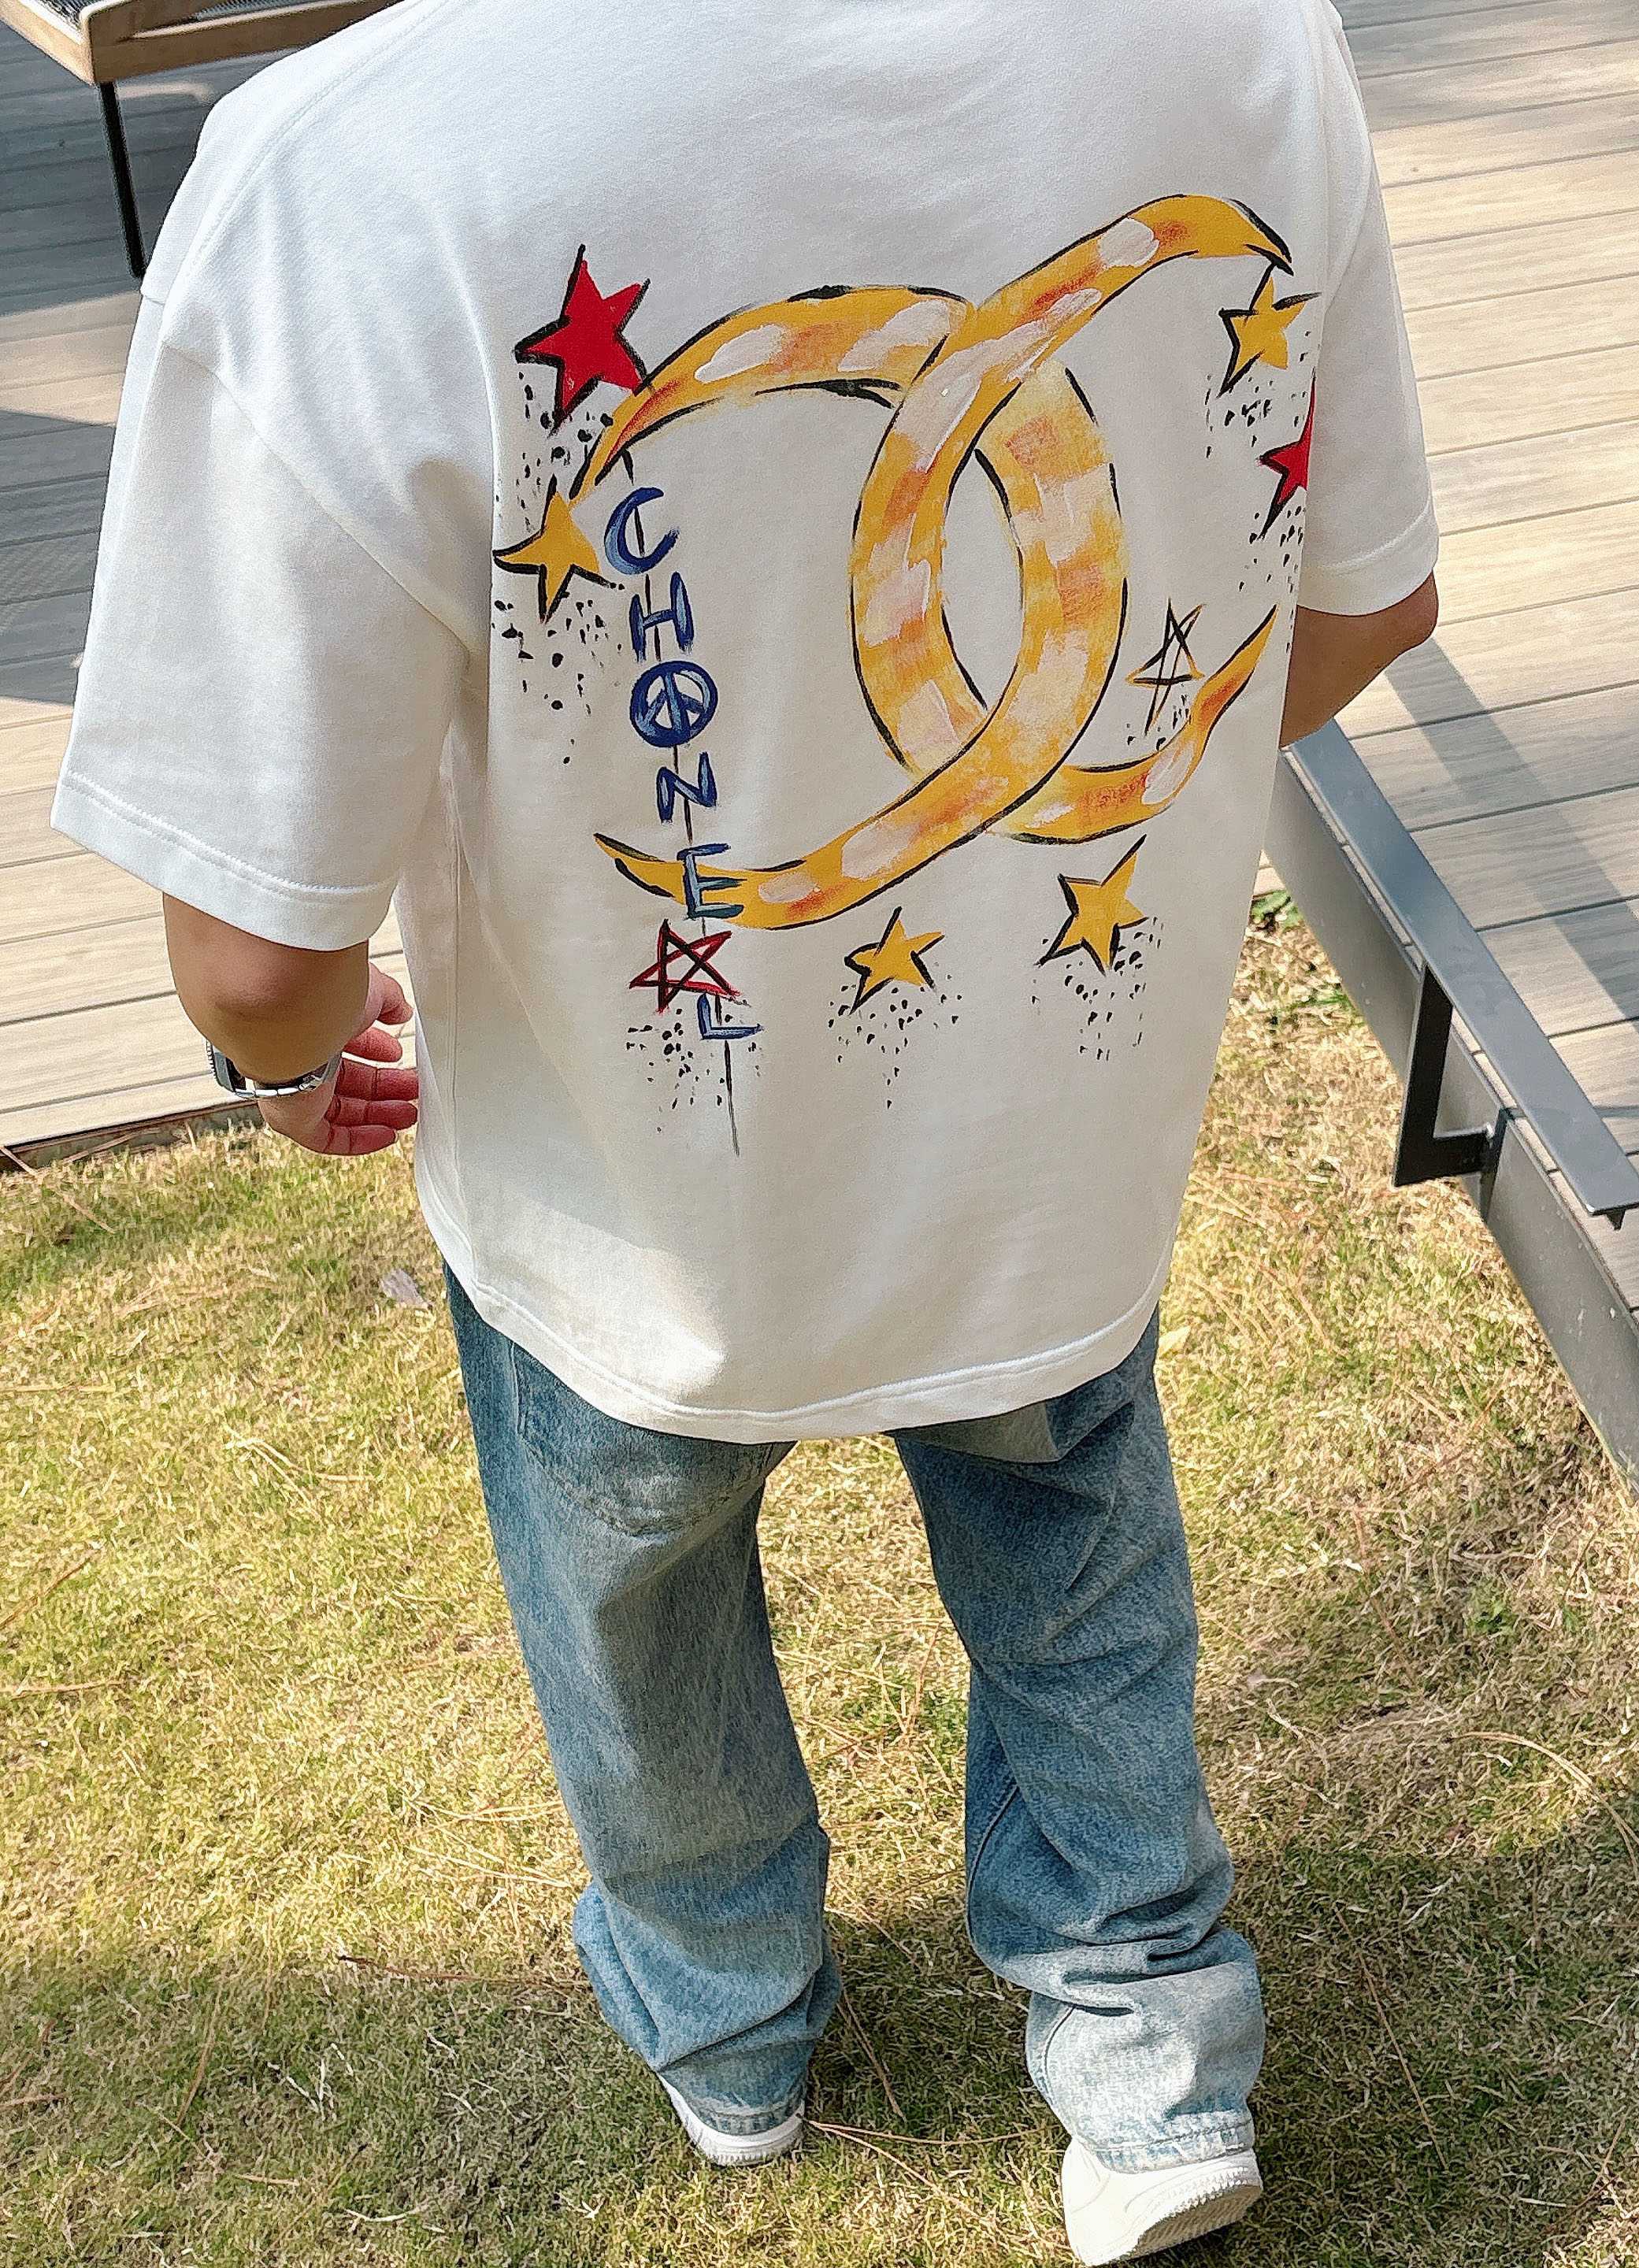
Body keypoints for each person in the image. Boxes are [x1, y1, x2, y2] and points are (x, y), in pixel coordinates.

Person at [53, 0, 1437, 2255]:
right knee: (1074, 1548)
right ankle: (1148, 2046)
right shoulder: (1242, 35)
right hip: (1047, 1135)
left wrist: (289, 1068)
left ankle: (728, 2023)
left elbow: (250, 942)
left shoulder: (351, 163)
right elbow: (1366, 599)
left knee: (635, 1599)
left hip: (619, 1188)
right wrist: (1052, 805)